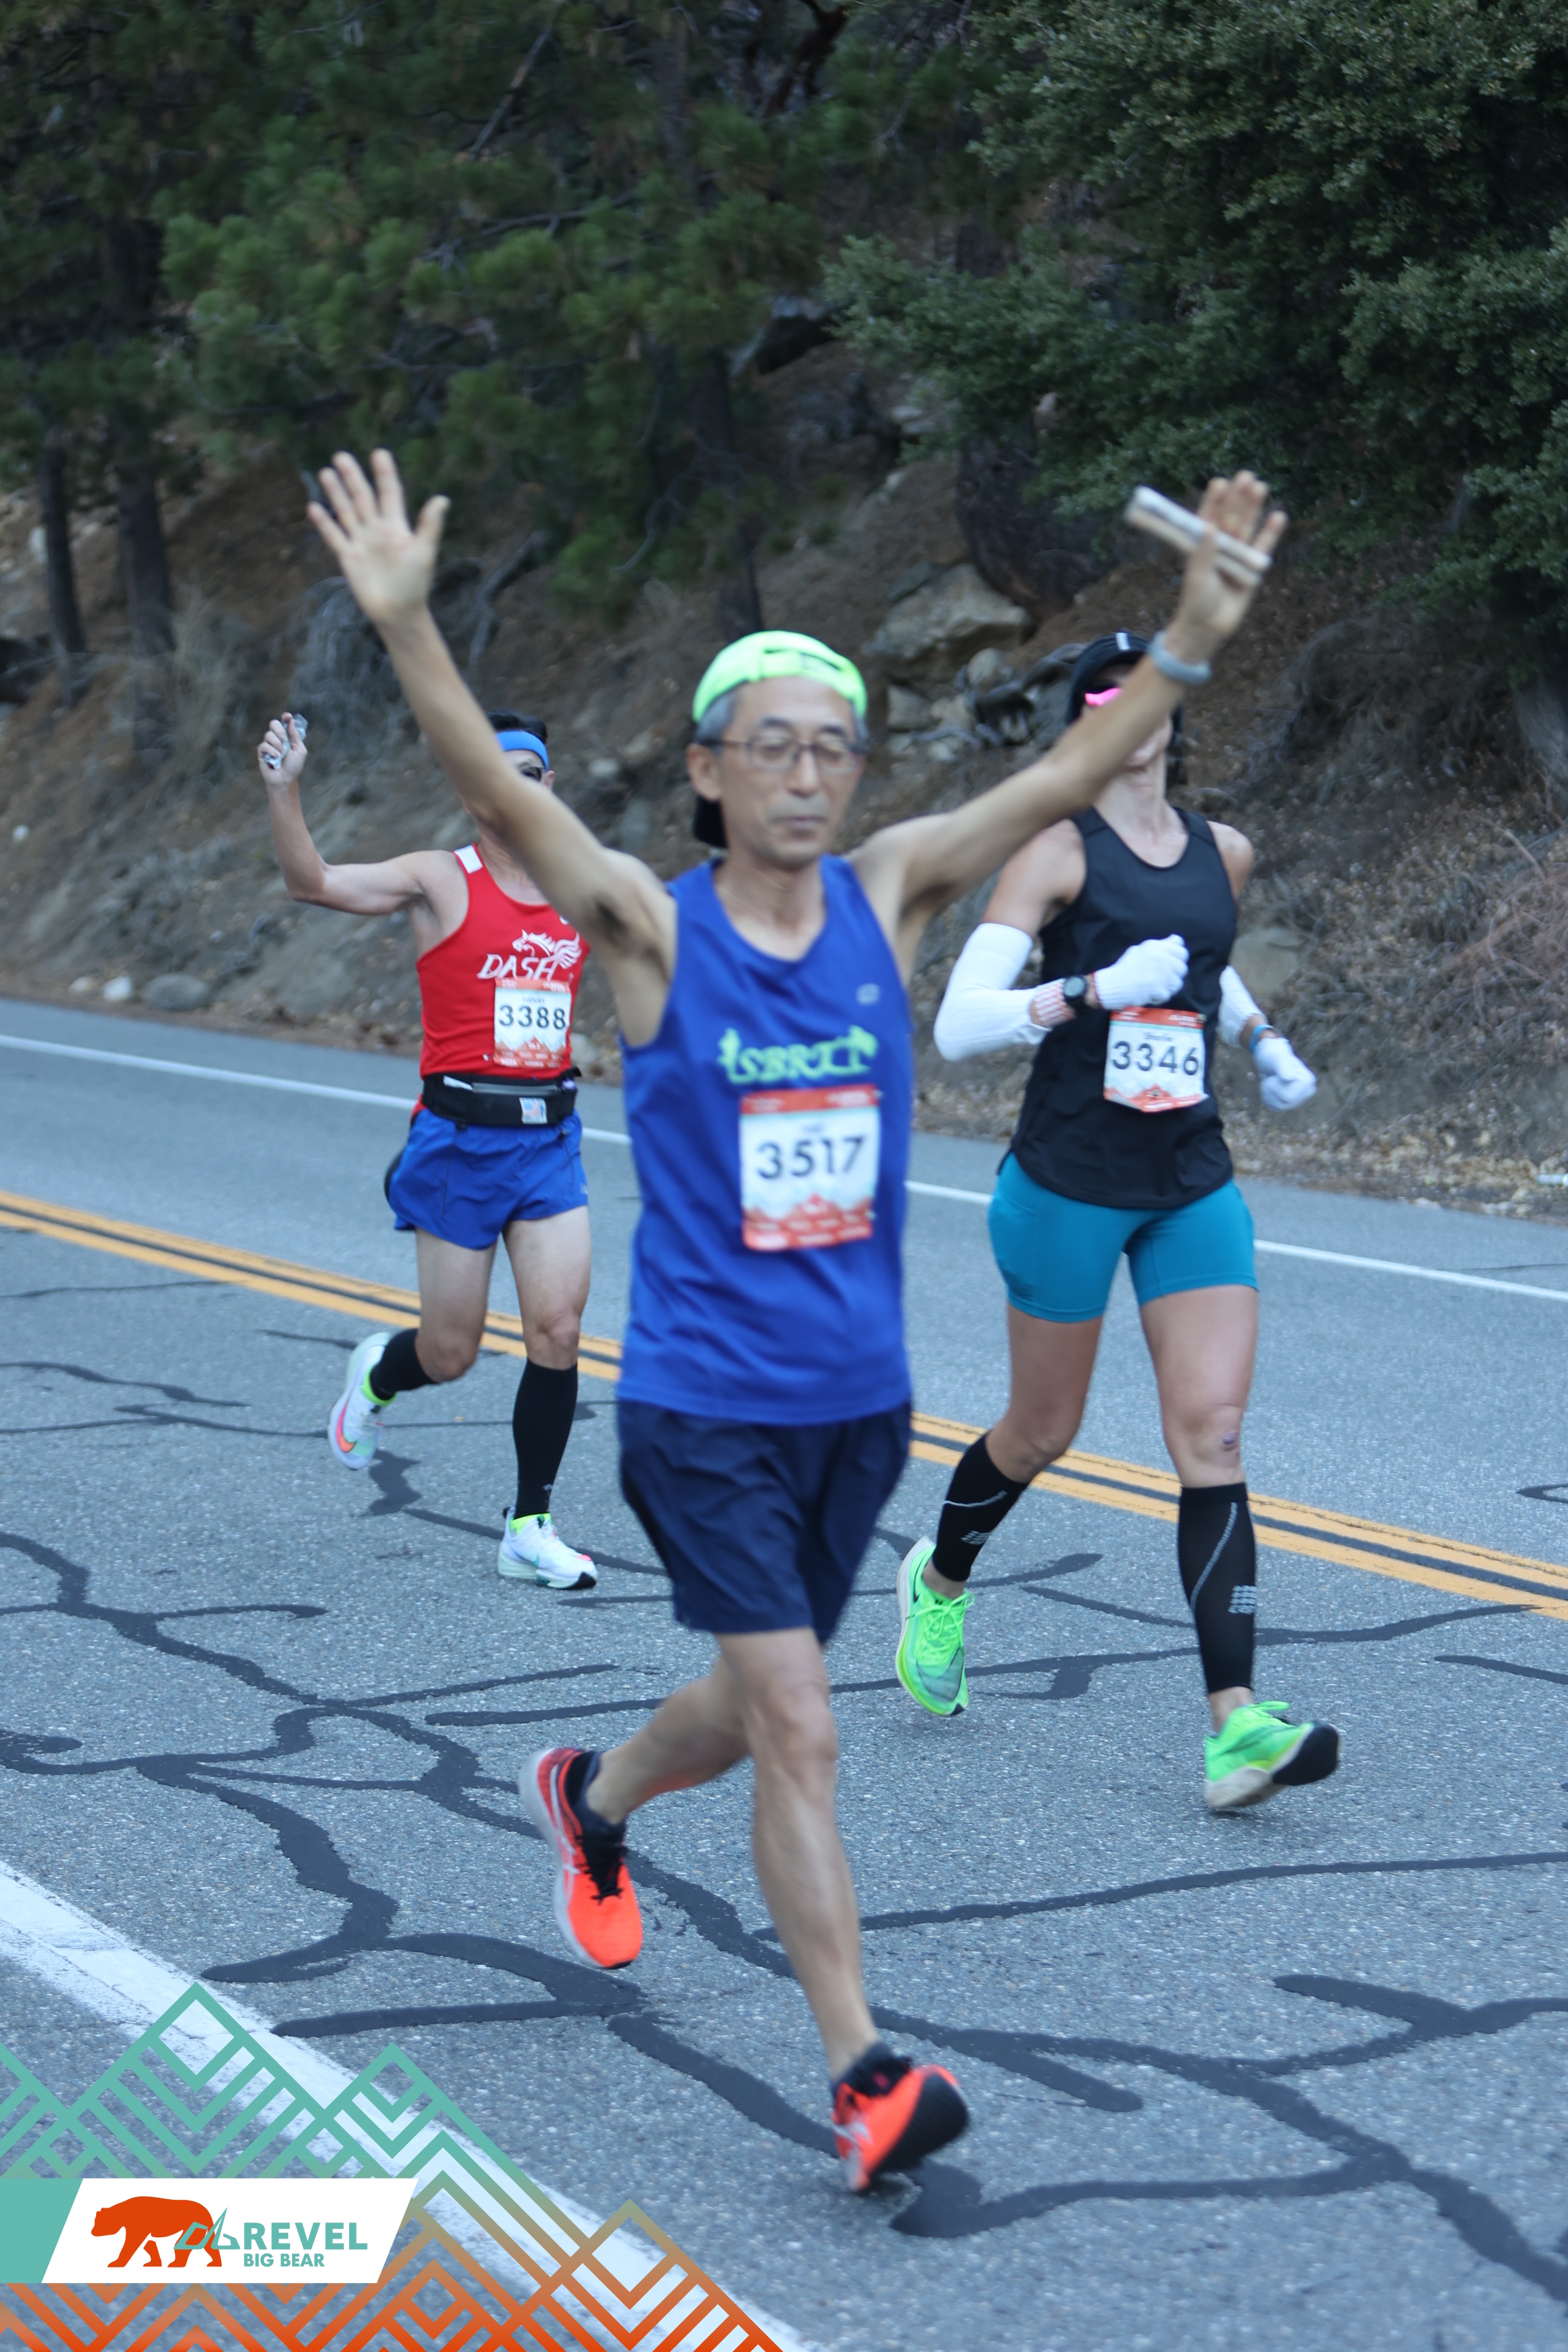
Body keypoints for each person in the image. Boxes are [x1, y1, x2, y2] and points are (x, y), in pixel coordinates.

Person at [302, 446, 1284, 2191]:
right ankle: (864, 2076)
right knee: (804, 1729)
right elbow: (493, 793)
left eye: (834, 745)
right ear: (706, 770)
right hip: (704, 1404)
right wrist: (406, 629)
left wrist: (1199, 626)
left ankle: (592, 1797)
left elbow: (1069, 769)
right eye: (772, 744)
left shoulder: (889, 892)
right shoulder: (646, 932)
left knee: (747, 1706)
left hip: (853, 1401)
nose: (809, 771)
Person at [894, 628, 1337, 1816]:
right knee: (1044, 1429)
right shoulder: (1054, 849)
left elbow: (1208, 966)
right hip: (1069, 1180)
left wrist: (1262, 1039)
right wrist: (1088, 990)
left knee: (1216, 1436)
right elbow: (959, 1026)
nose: (1131, 708)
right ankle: (941, 1580)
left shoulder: (1223, 851)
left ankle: (1235, 1727)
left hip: (1189, 1176)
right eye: (1105, 693)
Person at [257, 704, 597, 1590]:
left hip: (551, 1140)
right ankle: (380, 1373)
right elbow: (312, 883)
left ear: (549, 784)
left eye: (529, 775)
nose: (513, 791)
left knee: (559, 1329)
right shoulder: (441, 879)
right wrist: (285, 791)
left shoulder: (582, 884)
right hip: (459, 1145)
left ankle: (529, 1526)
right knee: (450, 1354)